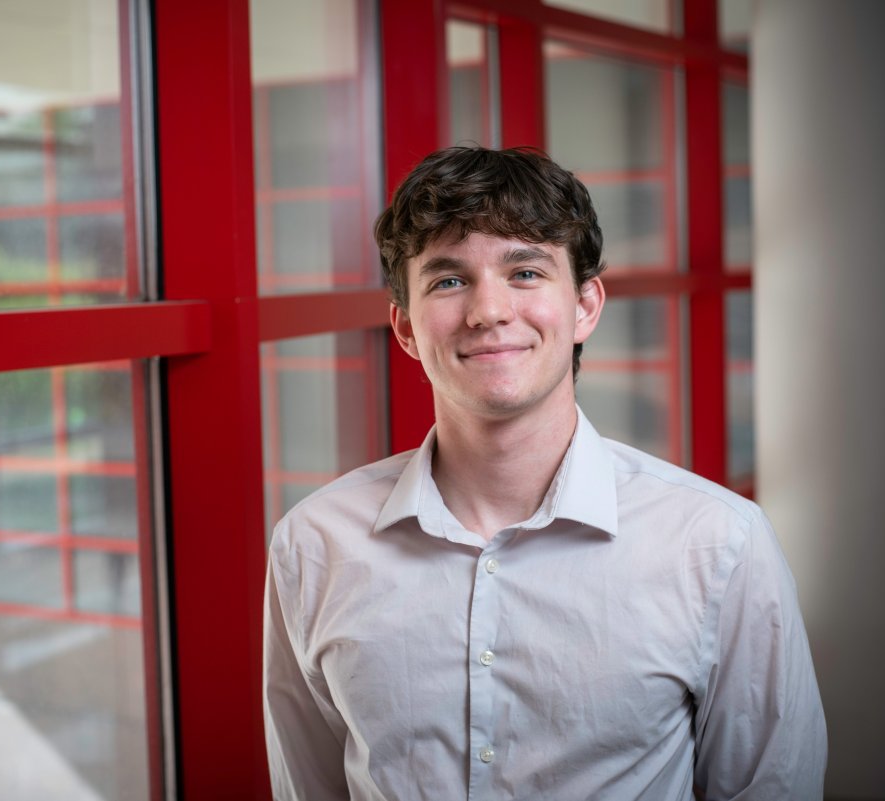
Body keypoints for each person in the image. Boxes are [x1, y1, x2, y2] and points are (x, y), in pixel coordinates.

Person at [263, 146, 826, 800]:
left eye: (525, 272)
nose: (489, 311)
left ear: (586, 305)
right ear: (406, 328)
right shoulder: (313, 544)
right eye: (448, 280)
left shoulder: (719, 544)